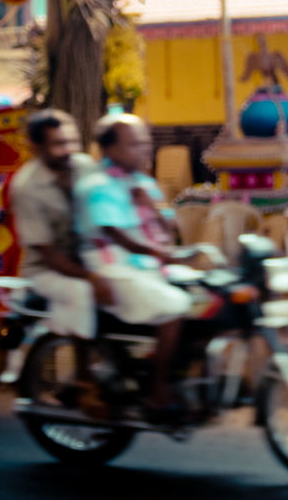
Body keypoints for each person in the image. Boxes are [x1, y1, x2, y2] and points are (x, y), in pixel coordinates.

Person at [74, 113, 192, 417]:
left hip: (147, 267)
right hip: (113, 269)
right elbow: (116, 234)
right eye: (134, 145)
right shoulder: (97, 185)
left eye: (146, 143)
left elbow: (168, 228)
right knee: (175, 306)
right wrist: (158, 252)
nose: (144, 150)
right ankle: (158, 389)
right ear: (110, 150)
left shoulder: (142, 182)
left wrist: (154, 208)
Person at [10, 110, 110, 415]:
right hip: (47, 271)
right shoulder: (26, 187)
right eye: (57, 144)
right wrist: (91, 278)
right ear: (36, 147)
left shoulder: (83, 166)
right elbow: (48, 254)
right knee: (83, 292)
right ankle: (82, 379)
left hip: (87, 259)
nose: (67, 150)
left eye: (71, 142)